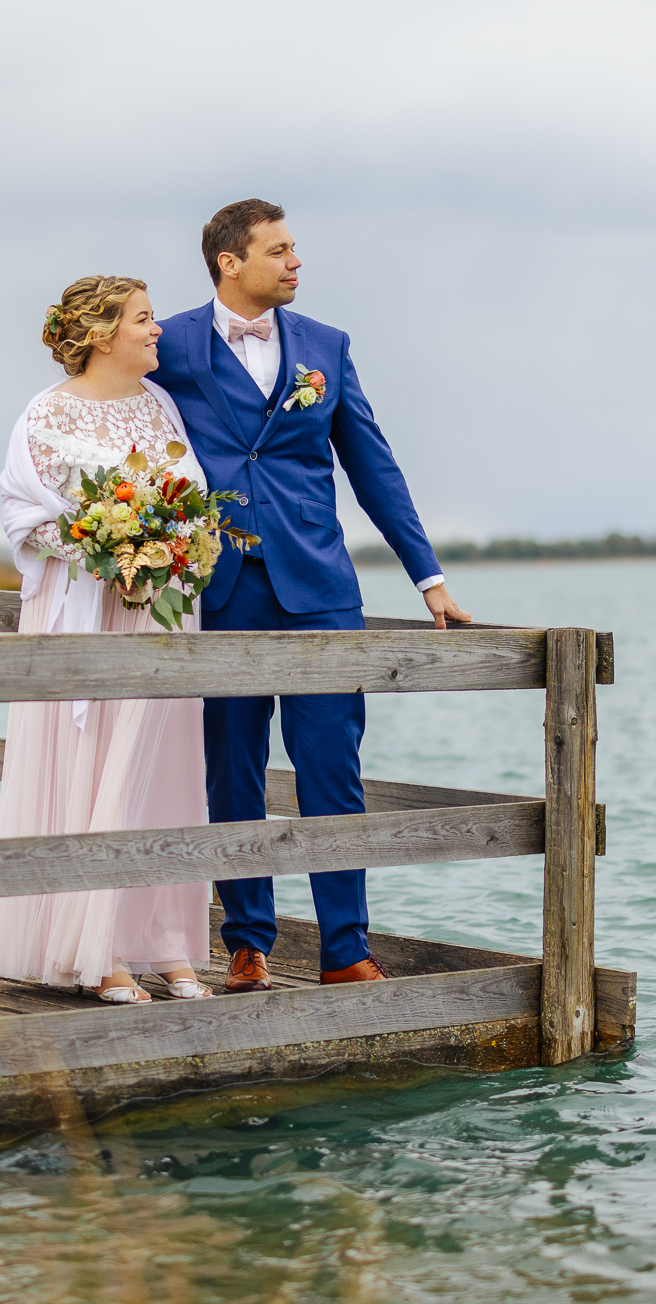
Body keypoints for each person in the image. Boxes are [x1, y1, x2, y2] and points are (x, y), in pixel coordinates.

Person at [152, 198, 470, 991]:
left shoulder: (327, 347)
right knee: (233, 772)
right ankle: (248, 944)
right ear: (231, 262)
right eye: (280, 250)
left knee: (333, 771)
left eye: (296, 250)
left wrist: (428, 578)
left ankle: (345, 951)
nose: (296, 263)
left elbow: (373, 466)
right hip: (219, 588)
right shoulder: (173, 344)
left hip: (320, 587)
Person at [0, 276, 213, 1005]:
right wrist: (101, 546)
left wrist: (171, 548)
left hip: (162, 611)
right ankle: (96, 950)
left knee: (164, 772)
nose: (157, 330)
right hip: (86, 610)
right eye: (143, 319)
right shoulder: (46, 414)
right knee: (97, 765)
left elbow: (188, 502)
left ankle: (165, 943)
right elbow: (21, 515)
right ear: (102, 334)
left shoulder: (159, 405)